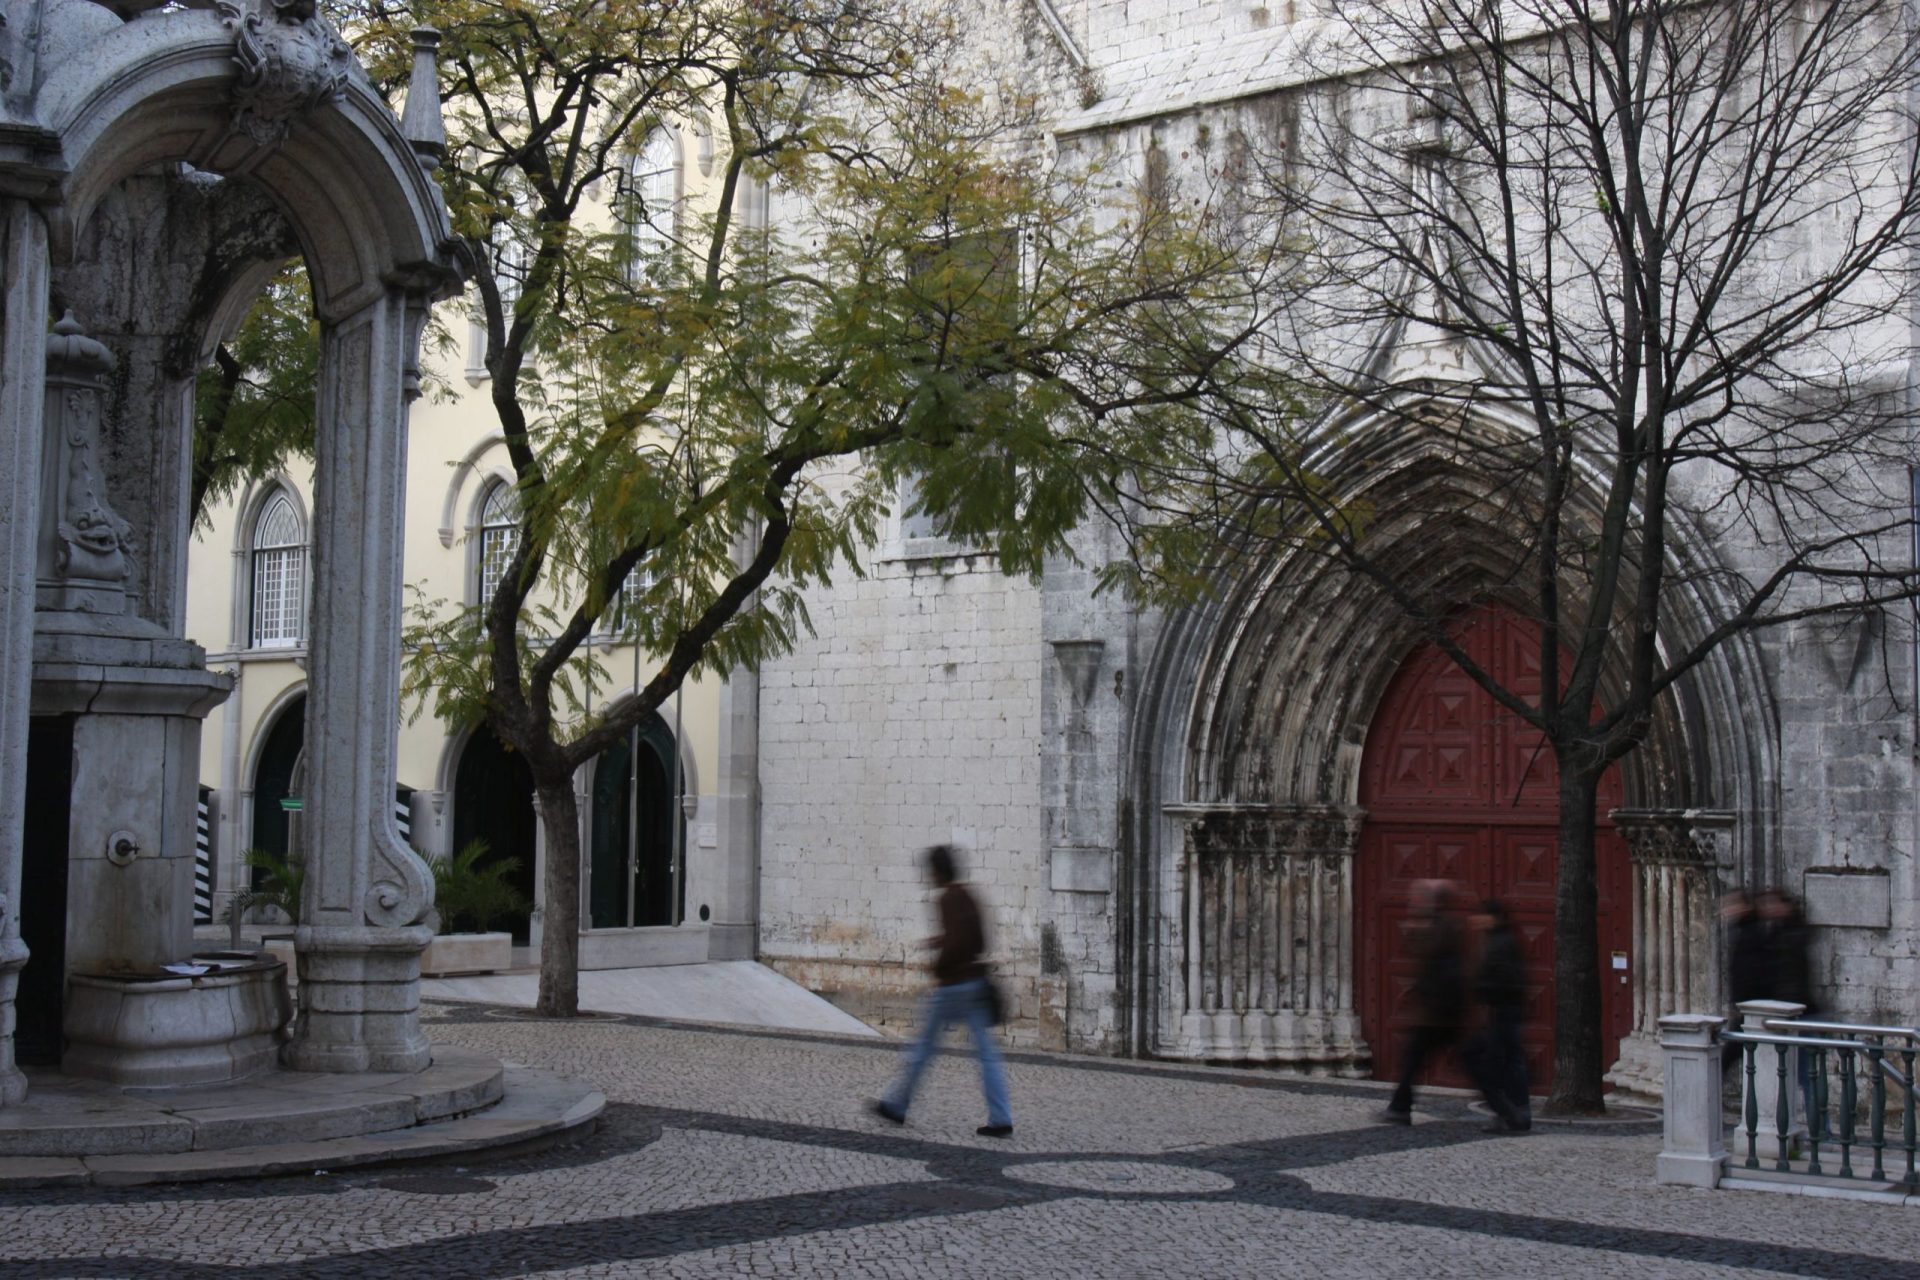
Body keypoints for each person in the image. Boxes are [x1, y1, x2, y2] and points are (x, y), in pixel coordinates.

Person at [871, 844, 1014, 1137]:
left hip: (952, 987)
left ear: (937, 871)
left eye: (929, 871)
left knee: (923, 1047)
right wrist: (943, 941)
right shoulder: (969, 896)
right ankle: (1001, 1117)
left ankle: (896, 1104)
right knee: (987, 1054)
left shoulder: (947, 898)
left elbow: (957, 944)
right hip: (975, 982)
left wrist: (938, 966)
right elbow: (978, 940)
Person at [1375, 879, 1467, 1125]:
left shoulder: (1445, 926)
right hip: (1439, 1011)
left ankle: (1508, 1109)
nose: (1414, 902)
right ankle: (1399, 1107)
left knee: (1419, 1058)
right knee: (1415, 1059)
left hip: (1440, 1012)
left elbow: (1438, 964)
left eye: (1420, 898)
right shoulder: (1439, 924)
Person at [1461, 898, 1531, 1133]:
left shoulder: (1500, 943)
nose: (1476, 920)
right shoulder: (1499, 940)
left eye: (1482, 915)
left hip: (1502, 1012)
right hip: (1503, 1011)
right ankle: (1514, 1112)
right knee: (1508, 1060)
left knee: (1494, 1061)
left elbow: (1504, 979)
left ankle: (1512, 1112)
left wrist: (1479, 990)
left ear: (1492, 918)